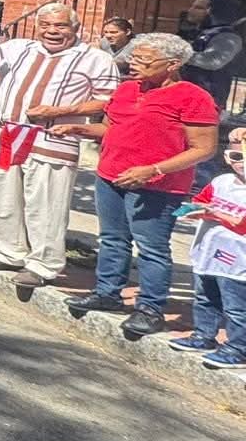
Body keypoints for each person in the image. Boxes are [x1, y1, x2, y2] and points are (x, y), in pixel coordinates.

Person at [61, 31, 219, 339]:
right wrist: (78, 129)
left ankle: (150, 309)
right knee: (111, 239)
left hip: (157, 186)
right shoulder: (127, 89)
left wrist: (152, 169)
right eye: (133, 57)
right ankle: (108, 293)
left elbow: (204, 149)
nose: (133, 64)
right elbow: (109, 128)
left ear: (172, 64)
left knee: (151, 248)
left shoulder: (193, 97)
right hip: (111, 176)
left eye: (143, 60)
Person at [0, 2, 121, 286]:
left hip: (53, 139)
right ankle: (6, 251)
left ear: (76, 28)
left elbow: (108, 100)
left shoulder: (96, 59)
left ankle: (44, 264)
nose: (52, 31)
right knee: (0, 195)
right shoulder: (18, 48)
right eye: (46, 25)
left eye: (60, 26)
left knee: (46, 204)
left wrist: (57, 111)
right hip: (7, 134)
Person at [172, 128, 246, 372]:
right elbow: (202, 202)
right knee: (205, 297)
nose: (241, 164)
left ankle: (237, 348)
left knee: (236, 307)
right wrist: (193, 211)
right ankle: (204, 334)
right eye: (236, 157)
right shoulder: (221, 182)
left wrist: (214, 213)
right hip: (208, 252)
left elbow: (240, 224)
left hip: (237, 262)